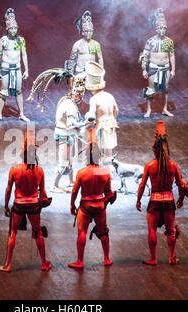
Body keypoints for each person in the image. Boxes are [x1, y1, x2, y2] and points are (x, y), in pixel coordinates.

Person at [136, 121, 188, 265]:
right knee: (171, 230)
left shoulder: (150, 165)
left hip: (155, 200)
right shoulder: (173, 165)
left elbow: (142, 185)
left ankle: (153, 258)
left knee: (152, 230)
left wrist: (139, 200)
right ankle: (172, 257)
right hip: (169, 200)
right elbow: (180, 184)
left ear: (155, 150)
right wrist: (181, 198)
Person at [0, 129, 52, 272]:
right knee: (38, 233)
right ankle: (43, 263)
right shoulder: (39, 171)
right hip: (33, 205)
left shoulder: (15, 170)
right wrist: (43, 202)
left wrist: (5, 206)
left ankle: (8, 264)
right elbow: (43, 193)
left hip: (19, 205)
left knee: (13, 233)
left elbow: (9, 189)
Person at [69, 128, 116, 269]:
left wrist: (72, 205)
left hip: (85, 205)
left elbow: (75, 191)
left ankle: (80, 261)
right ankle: (107, 259)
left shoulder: (82, 172)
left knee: (82, 232)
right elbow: (109, 192)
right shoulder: (105, 172)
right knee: (103, 232)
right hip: (100, 205)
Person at [0, 8, 29, 122]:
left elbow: (24, 55)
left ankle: (21, 113)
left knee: (18, 91)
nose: (13, 30)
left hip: (17, 69)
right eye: (11, 28)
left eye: (15, 28)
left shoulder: (21, 40)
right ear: (7, 29)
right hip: (5, 69)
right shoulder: (3, 40)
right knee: (4, 92)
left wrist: (26, 70)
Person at [138, 8, 175, 117]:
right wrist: (144, 69)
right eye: (160, 28)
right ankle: (149, 109)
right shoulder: (150, 41)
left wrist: (173, 69)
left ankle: (164, 109)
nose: (163, 30)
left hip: (165, 68)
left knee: (166, 89)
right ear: (156, 29)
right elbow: (144, 56)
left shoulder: (169, 42)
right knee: (151, 90)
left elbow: (172, 55)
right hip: (154, 68)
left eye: (164, 28)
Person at [86, 61, 118, 167]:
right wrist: (113, 119)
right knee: (108, 149)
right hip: (111, 124)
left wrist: (87, 121)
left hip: (101, 126)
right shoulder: (110, 96)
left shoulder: (94, 99)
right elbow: (116, 109)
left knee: (100, 147)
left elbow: (91, 114)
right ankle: (109, 168)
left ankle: (104, 169)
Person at [65, 11, 103, 75]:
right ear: (82, 32)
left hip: (92, 73)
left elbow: (100, 58)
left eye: (91, 31)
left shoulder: (96, 44)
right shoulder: (77, 44)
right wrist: (70, 74)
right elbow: (72, 60)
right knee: (79, 84)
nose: (89, 33)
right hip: (80, 72)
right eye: (87, 31)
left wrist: (101, 73)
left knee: (92, 85)